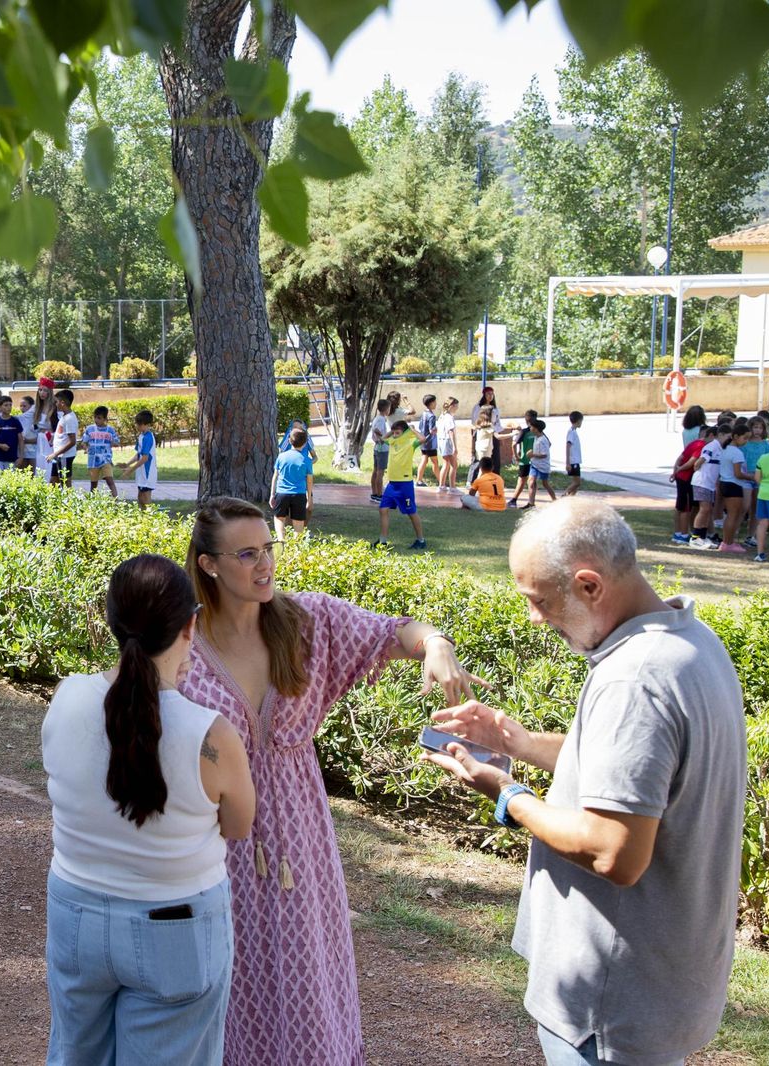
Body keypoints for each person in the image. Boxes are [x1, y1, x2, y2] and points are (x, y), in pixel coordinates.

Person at [425, 500, 746, 1066]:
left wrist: (505, 792)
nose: (534, 617)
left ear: (589, 585)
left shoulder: (634, 680)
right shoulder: (688, 640)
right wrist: (518, 743)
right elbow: (633, 772)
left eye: (539, 600)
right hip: (665, 980)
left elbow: (612, 851)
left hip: (611, 998)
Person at [180, 498, 480, 1064]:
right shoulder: (182, 643)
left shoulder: (306, 622)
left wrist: (436, 645)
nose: (265, 564)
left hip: (299, 840)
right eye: (247, 553)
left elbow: (398, 632)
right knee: (230, 980)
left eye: (269, 548)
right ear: (209, 565)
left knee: (305, 977)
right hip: (212, 843)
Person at [42, 555, 255, 1066]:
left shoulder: (67, 697)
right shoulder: (212, 735)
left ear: (111, 620)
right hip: (176, 928)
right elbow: (238, 825)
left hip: (75, 915)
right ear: (190, 625)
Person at [376, 419, 426, 549]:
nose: (395, 435)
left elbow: (422, 439)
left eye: (398, 433)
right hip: (392, 484)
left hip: (404, 485)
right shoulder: (392, 441)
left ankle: (421, 540)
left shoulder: (410, 443)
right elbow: (383, 437)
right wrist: (392, 432)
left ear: (404, 433)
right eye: (394, 433)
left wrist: (412, 430)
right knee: (383, 509)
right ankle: (382, 541)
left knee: (411, 512)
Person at [688, 421, 732, 549]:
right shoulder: (711, 446)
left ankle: (702, 536)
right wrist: (700, 472)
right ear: (721, 434)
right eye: (728, 436)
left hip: (710, 484)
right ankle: (695, 538)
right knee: (704, 509)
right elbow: (698, 462)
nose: (729, 440)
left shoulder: (720, 448)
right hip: (702, 482)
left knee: (708, 511)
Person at [669, 424, 712, 544]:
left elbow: (680, 457)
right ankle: (683, 534)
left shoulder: (693, 443)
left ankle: (677, 533)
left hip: (680, 477)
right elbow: (692, 462)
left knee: (679, 506)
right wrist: (680, 469)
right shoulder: (701, 446)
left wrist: (675, 471)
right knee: (685, 508)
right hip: (686, 478)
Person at [716, 417, 752, 554]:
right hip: (733, 485)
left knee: (731, 515)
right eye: (745, 438)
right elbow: (738, 474)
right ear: (735, 436)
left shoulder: (725, 450)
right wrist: (751, 477)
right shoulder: (736, 452)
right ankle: (728, 543)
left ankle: (727, 541)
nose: (746, 441)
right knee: (733, 515)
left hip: (726, 483)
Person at [270, 427, 314, 537]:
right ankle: (296, 547)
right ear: (305, 443)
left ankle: (281, 540)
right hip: (299, 494)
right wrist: (309, 498)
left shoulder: (281, 457)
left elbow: (275, 476)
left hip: (282, 493)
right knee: (298, 522)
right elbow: (309, 481)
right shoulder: (307, 460)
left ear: (289, 441)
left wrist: (272, 494)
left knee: (279, 519)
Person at [739, 411, 769, 547]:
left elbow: (768, 461)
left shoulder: (765, 445)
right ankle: (734, 531)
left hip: (760, 479)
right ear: (750, 428)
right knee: (744, 506)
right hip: (746, 477)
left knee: (756, 508)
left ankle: (750, 535)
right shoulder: (745, 444)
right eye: (755, 427)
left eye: (760, 427)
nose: (757, 430)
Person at [124, 408, 158, 509]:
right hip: (141, 472)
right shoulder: (141, 436)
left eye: (139, 424)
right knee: (140, 497)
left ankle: (149, 520)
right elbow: (138, 454)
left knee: (146, 498)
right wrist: (127, 464)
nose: (137, 426)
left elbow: (145, 458)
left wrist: (131, 469)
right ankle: (142, 519)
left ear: (147, 424)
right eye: (137, 424)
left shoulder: (148, 438)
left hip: (148, 472)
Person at [82, 406, 120, 496]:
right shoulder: (90, 429)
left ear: (105, 419)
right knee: (93, 484)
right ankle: (92, 502)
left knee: (109, 480)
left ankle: (116, 501)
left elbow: (117, 442)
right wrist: (86, 448)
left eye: (99, 418)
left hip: (105, 459)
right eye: (95, 417)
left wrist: (112, 442)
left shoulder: (110, 430)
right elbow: (84, 442)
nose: (96, 420)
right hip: (93, 460)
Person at [754, 428, 769, 563]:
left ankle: (760, 553)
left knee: (762, 524)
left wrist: (764, 485)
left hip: (763, 493)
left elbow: (757, 478)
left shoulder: (763, 458)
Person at [47, 388, 79, 487]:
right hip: (59, 456)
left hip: (64, 456)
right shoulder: (64, 417)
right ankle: (53, 502)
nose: (55, 404)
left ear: (62, 403)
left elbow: (72, 441)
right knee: (53, 481)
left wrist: (55, 454)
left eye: (56, 402)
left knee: (65, 483)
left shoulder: (69, 419)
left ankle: (68, 501)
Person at [524, 418, 558, 509]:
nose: (530, 428)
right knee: (531, 482)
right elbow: (550, 444)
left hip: (543, 466)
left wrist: (532, 454)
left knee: (545, 484)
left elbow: (544, 455)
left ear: (536, 428)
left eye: (531, 427)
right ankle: (531, 503)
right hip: (534, 465)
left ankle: (555, 500)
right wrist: (534, 452)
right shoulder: (537, 437)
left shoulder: (543, 440)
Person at [508, 409, 539, 509]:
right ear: (527, 421)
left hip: (534, 461)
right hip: (524, 460)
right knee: (521, 481)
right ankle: (514, 500)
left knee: (532, 481)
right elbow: (514, 444)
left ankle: (531, 503)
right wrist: (516, 456)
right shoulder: (524, 432)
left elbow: (547, 443)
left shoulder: (538, 431)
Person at [470, 386, 503, 476]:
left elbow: (497, 423)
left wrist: (498, 432)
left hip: (493, 433)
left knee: (494, 457)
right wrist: (482, 427)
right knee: (479, 459)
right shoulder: (478, 407)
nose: (490, 396)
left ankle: (494, 477)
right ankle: (472, 479)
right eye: (488, 394)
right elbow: (474, 422)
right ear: (484, 395)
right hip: (483, 433)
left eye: (492, 394)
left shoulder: (495, 408)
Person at [0, 395, 23, 472]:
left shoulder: (15, 421)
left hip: (12, 458)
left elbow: (21, 439)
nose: (9, 407)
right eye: (6, 405)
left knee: (11, 481)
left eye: (10, 405)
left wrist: (21, 457)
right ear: (0, 407)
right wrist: (1, 446)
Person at [33, 380, 59, 480]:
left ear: (50, 392)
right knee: (40, 464)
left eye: (45, 390)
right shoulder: (38, 407)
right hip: (40, 439)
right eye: (40, 390)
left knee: (49, 464)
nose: (42, 393)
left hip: (50, 439)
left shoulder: (54, 407)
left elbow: (57, 425)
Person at [368, 398, 392, 502]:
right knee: (380, 472)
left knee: (376, 470)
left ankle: (374, 492)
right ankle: (379, 494)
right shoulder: (381, 419)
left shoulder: (377, 418)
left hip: (377, 447)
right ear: (386, 409)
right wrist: (383, 438)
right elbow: (376, 430)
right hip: (382, 448)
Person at [437, 396, 460, 493]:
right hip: (447, 441)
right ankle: (452, 487)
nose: (457, 408)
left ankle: (442, 486)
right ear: (452, 406)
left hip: (442, 441)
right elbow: (451, 431)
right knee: (454, 465)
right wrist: (454, 446)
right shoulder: (449, 417)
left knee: (445, 464)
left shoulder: (442, 416)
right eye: (456, 406)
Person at [18, 395, 38, 471]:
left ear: (32, 407)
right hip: (21, 452)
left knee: (33, 474)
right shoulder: (19, 419)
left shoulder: (36, 419)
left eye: (24, 406)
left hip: (34, 452)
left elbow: (40, 437)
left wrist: (26, 441)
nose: (22, 408)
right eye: (21, 406)